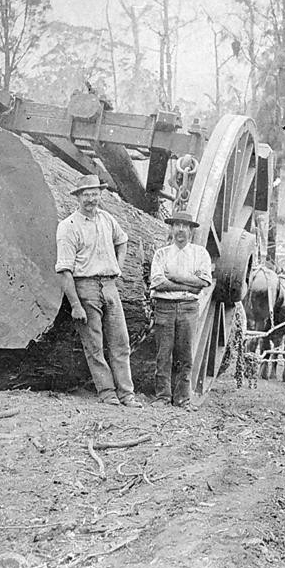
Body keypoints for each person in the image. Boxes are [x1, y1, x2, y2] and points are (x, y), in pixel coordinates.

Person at [55, 175, 143, 408]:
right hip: (86, 287)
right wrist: (75, 304)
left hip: (109, 286)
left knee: (120, 342)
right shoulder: (68, 227)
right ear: (77, 197)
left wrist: (118, 267)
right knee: (94, 344)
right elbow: (64, 270)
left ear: (100, 195)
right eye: (86, 194)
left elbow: (122, 241)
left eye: (94, 193)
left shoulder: (107, 219)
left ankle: (127, 394)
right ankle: (107, 393)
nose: (91, 199)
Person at [149, 211, 212, 408]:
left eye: (185, 226)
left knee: (185, 355)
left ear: (191, 230)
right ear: (171, 228)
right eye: (177, 225)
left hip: (188, 308)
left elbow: (203, 281)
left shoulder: (200, 253)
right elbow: (158, 282)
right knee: (163, 353)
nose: (181, 230)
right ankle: (162, 397)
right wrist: (188, 285)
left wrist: (174, 277)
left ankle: (183, 398)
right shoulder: (162, 254)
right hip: (164, 307)